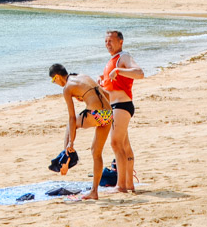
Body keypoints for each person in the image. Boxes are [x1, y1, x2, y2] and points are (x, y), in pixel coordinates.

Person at [49, 63, 112, 200]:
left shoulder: (67, 88)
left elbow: (72, 118)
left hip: (96, 113)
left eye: (54, 80)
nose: (55, 83)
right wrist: (86, 98)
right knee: (96, 152)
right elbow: (106, 94)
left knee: (69, 125)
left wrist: (71, 141)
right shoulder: (84, 76)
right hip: (109, 114)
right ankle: (94, 192)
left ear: (58, 77)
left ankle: (65, 156)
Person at [99, 30, 144, 193]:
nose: (108, 44)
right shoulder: (111, 61)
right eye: (105, 41)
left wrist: (118, 71)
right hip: (114, 106)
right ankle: (129, 184)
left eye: (111, 41)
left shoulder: (124, 57)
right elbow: (110, 86)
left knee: (115, 143)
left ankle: (120, 185)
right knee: (124, 145)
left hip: (122, 105)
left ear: (120, 42)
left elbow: (139, 73)